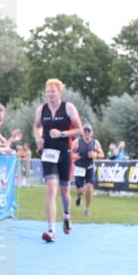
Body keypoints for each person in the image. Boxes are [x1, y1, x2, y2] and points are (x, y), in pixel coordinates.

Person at [34, 78, 83, 242]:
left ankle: (66, 215)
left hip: (65, 154)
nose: (50, 94)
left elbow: (80, 130)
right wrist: (38, 138)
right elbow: (36, 126)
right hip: (48, 154)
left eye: (53, 91)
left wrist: (62, 134)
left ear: (59, 92)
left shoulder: (68, 108)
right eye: (48, 91)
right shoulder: (41, 110)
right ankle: (51, 230)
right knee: (51, 190)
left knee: (65, 193)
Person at [73, 124, 103, 217]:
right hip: (79, 168)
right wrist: (74, 156)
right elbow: (69, 152)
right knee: (80, 190)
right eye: (85, 131)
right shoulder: (77, 142)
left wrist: (96, 155)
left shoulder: (95, 143)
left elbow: (102, 154)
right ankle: (79, 196)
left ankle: (87, 209)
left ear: (91, 133)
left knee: (90, 188)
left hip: (89, 168)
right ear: (82, 132)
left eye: (88, 131)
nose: (86, 133)